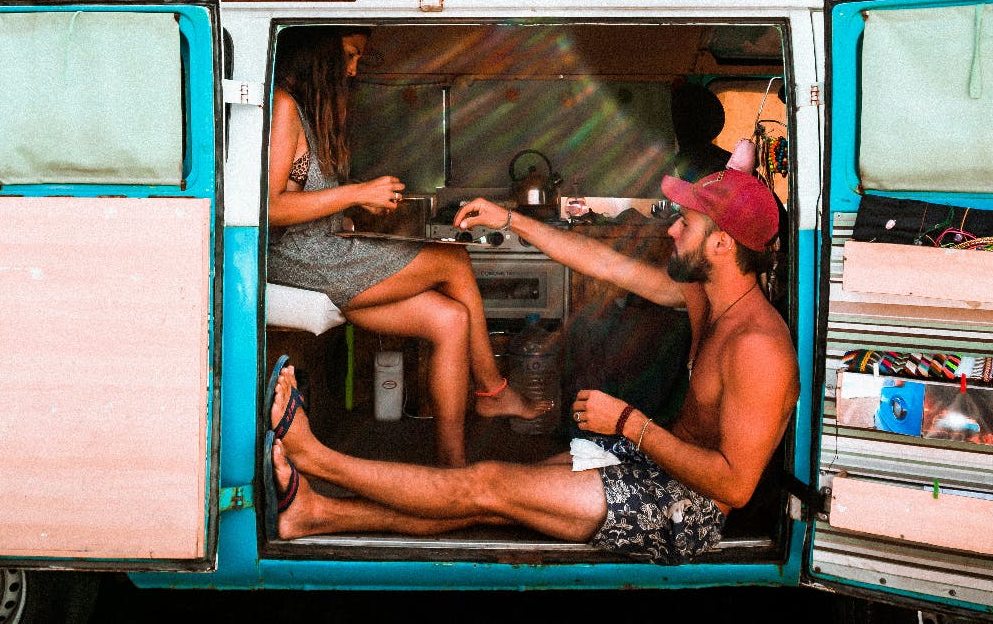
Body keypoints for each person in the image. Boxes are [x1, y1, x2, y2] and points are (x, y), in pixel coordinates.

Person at [265, 168, 799, 564]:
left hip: (685, 512)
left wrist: (630, 425)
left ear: (723, 244)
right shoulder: (707, 297)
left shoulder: (758, 346)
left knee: (488, 484)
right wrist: (511, 219)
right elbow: (604, 263)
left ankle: (317, 459)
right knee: (498, 502)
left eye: (686, 223)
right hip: (661, 470)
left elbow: (734, 488)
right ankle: (319, 514)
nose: (671, 232)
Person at [266, 26, 546, 467]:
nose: (354, 70)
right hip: (298, 262)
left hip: (322, 253)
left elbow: (302, 198)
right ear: (320, 51)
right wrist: (355, 193)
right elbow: (269, 207)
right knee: (453, 259)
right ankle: (492, 390)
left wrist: (349, 210)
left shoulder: (307, 112)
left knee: (451, 319)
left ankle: (451, 469)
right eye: (351, 54)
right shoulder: (283, 106)